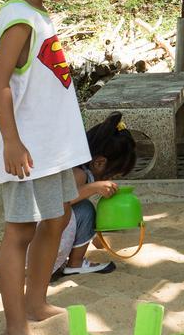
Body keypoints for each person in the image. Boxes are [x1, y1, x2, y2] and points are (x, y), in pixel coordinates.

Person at [0, 0, 89, 335]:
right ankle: (15, 329)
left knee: (58, 219)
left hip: (51, 151)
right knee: (19, 233)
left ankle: (35, 300)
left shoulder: (36, 14)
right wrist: (12, 141)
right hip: (27, 154)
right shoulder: (19, 20)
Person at [52, 112, 137, 278]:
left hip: (46, 243)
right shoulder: (78, 174)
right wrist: (94, 187)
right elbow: (61, 201)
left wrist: (97, 237)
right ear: (99, 162)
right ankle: (75, 263)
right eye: (113, 174)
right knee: (85, 209)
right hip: (45, 246)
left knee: (84, 209)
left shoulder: (81, 172)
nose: (111, 179)